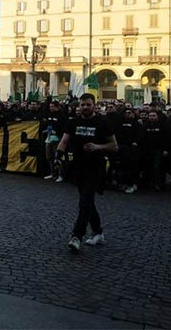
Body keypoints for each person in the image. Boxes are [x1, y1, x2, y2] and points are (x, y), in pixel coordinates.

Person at [55, 93, 118, 252]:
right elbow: (65, 142)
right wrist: (60, 157)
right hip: (76, 165)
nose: (85, 107)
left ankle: (76, 236)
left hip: (96, 166)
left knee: (84, 202)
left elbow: (114, 146)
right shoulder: (73, 122)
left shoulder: (103, 123)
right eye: (82, 105)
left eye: (88, 105)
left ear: (94, 106)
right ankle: (98, 232)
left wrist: (98, 147)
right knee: (88, 201)